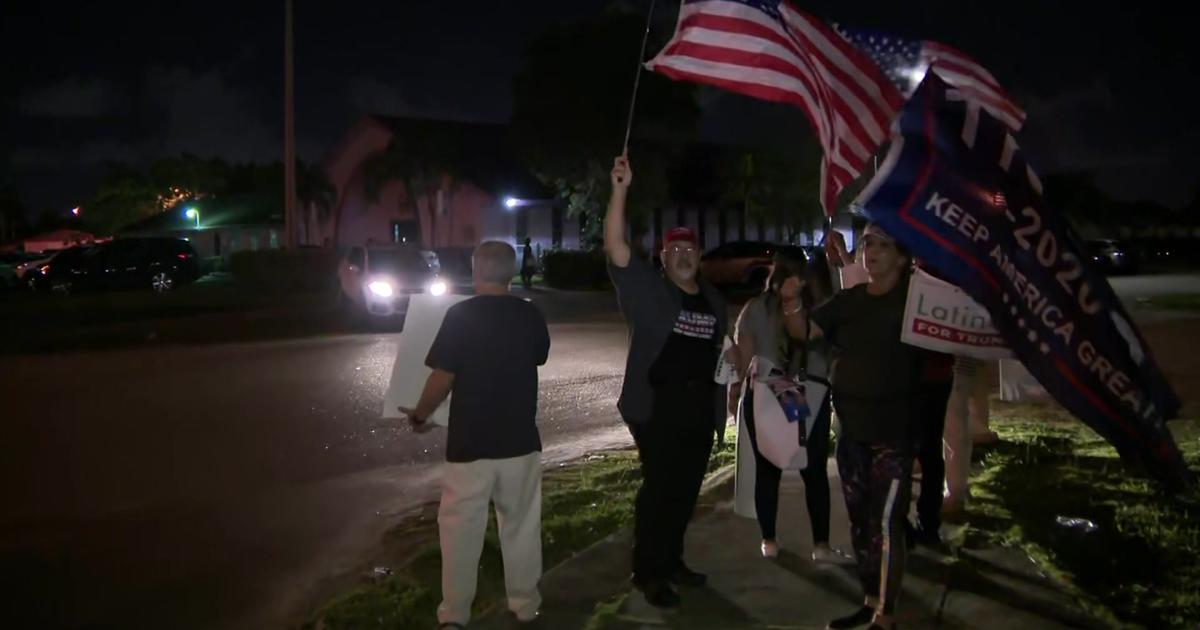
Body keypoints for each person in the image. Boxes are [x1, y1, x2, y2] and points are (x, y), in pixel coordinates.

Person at [398, 241, 551, 629]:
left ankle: (455, 615)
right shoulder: (530, 315)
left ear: (475, 269)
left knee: (460, 531)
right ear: (512, 270)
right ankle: (524, 603)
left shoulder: (460, 315)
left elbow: (442, 377)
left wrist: (420, 413)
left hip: (469, 445)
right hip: (519, 443)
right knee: (520, 526)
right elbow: (538, 355)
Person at [604, 154, 729, 609]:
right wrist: (620, 189)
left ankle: (672, 560)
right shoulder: (650, 291)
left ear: (698, 255)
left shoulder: (714, 300)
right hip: (657, 407)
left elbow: (719, 353)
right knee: (659, 490)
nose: (682, 254)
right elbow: (616, 247)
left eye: (689, 249)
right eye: (673, 249)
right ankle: (648, 571)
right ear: (662, 256)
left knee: (686, 490)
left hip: (699, 409)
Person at [806, 223, 920, 630]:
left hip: (894, 433)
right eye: (867, 243)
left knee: (887, 523)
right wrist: (788, 304)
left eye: (882, 245)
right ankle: (870, 598)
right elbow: (805, 331)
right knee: (860, 521)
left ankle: (886, 617)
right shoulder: (851, 300)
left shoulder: (914, 303)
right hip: (851, 431)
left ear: (902, 257)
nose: (870, 251)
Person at [730, 248, 848, 563]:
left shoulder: (755, 308)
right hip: (811, 393)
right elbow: (835, 356)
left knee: (768, 469)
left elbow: (743, 357)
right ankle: (821, 545)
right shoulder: (824, 310)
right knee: (814, 472)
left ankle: (769, 540)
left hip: (768, 393)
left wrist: (734, 394)